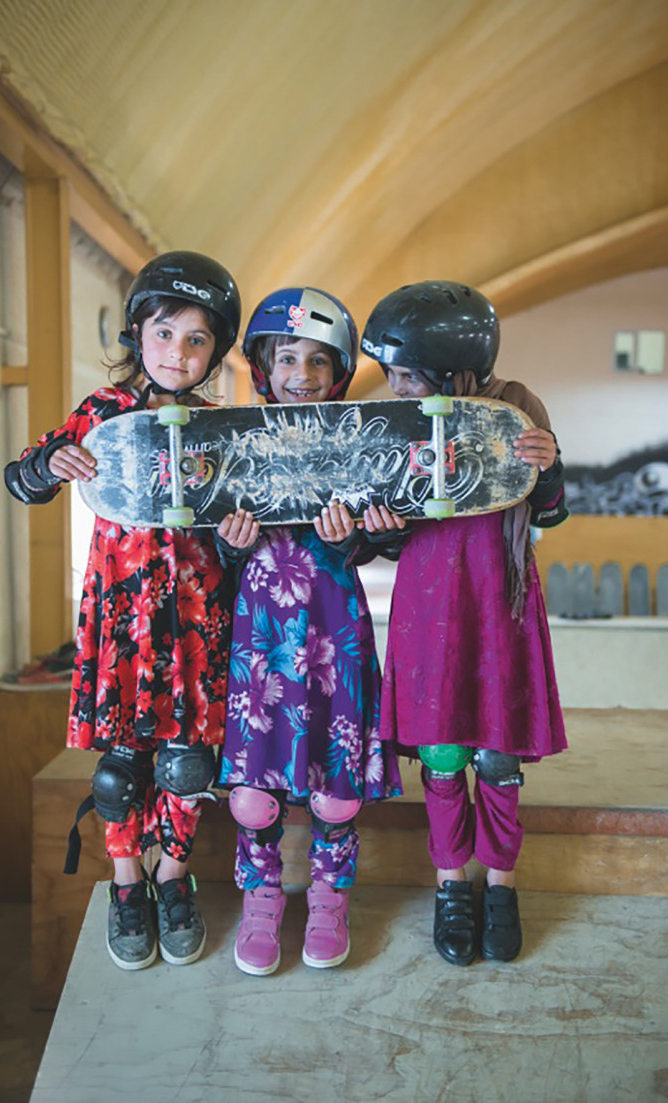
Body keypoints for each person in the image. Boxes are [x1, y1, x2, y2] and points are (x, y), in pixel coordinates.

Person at [4, 251, 241, 971]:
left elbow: (244, 523)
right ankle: (125, 881)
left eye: (197, 339)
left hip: (196, 616)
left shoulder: (219, 427)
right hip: (123, 614)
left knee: (185, 762)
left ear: (214, 354)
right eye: (166, 333)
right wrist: (51, 466)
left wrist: (237, 541)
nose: (179, 352)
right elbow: (24, 476)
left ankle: (174, 875)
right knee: (122, 767)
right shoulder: (101, 414)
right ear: (138, 332)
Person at [360, 280, 568, 966]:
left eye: (404, 374)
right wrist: (379, 527)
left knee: (498, 756)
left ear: (453, 368)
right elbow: (385, 523)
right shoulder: (401, 417)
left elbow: (552, 508)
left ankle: (501, 888)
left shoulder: (515, 405)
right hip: (429, 608)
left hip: (498, 602)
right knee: (444, 754)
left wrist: (549, 469)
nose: (395, 387)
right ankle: (454, 885)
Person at [216, 287, 402, 976]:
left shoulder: (357, 448)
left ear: (339, 373)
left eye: (318, 361)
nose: (302, 373)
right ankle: (261, 896)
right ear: (264, 365)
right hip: (261, 632)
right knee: (254, 793)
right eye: (288, 357)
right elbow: (213, 543)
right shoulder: (233, 443)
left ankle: (329, 895)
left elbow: (388, 527)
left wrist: (362, 537)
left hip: (333, 628)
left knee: (337, 789)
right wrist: (232, 544)